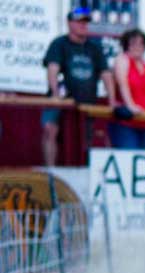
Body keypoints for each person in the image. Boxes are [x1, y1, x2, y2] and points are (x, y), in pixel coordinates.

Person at [41, 7, 115, 166]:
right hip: (60, 97)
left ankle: (83, 172)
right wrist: (55, 94)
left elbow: (106, 75)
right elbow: (52, 69)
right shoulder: (59, 43)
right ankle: (51, 170)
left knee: (85, 138)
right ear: (69, 23)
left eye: (86, 22)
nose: (83, 25)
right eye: (79, 22)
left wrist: (112, 100)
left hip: (86, 98)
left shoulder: (94, 47)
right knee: (49, 128)